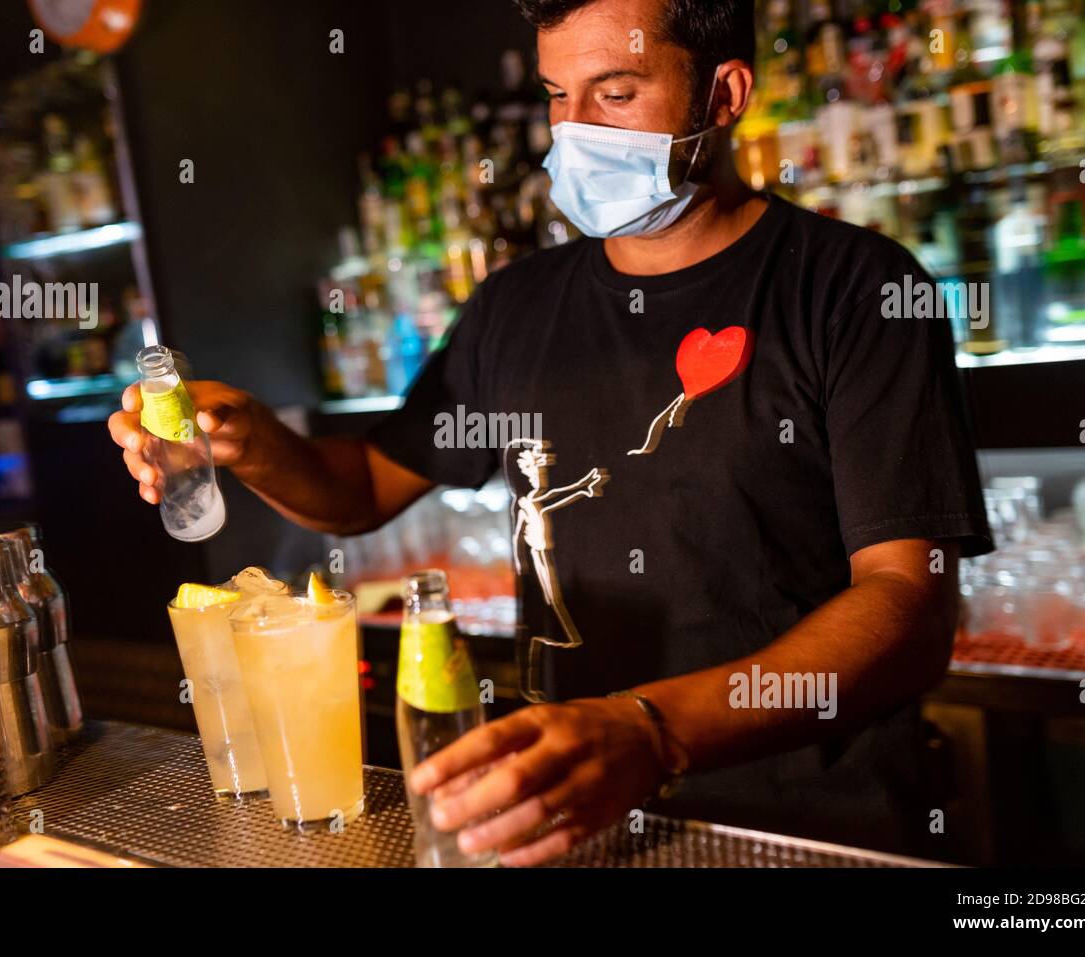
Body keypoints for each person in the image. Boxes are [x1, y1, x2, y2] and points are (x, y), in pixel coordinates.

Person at [109, 0, 991, 864]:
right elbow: (363, 486)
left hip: (801, 826)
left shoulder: (857, 288)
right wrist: (248, 438)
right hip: (568, 816)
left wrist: (652, 731)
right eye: (556, 96)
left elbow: (909, 604)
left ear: (723, 96)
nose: (573, 132)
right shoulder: (516, 306)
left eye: (615, 93)